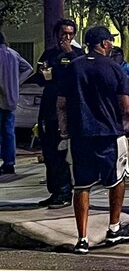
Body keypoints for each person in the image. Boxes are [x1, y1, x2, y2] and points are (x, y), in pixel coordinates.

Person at [56, 25, 129, 254]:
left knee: (81, 186)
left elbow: (61, 104)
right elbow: (126, 107)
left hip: (80, 135)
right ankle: (113, 228)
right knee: (118, 179)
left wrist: (64, 132)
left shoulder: (72, 68)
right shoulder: (115, 69)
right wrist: (127, 128)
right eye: (109, 41)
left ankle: (82, 239)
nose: (111, 45)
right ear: (103, 43)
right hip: (110, 135)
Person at [32, 18, 81, 205]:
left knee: (62, 154)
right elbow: (40, 77)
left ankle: (64, 192)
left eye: (70, 33)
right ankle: (54, 191)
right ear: (57, 34)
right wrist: (43, 75)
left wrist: (70, 53)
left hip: (66, 111)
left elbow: (80, 74)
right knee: (49, 152)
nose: (66, 37)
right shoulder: (49, 54)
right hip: (48, 108)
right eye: (63, 33)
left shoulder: (77, 55)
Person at [0, 31, 33, 176]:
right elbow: (29, 68)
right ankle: (9, 163)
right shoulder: (13, 54)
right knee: (9, 132)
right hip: (12, 98)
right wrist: (16, 82)